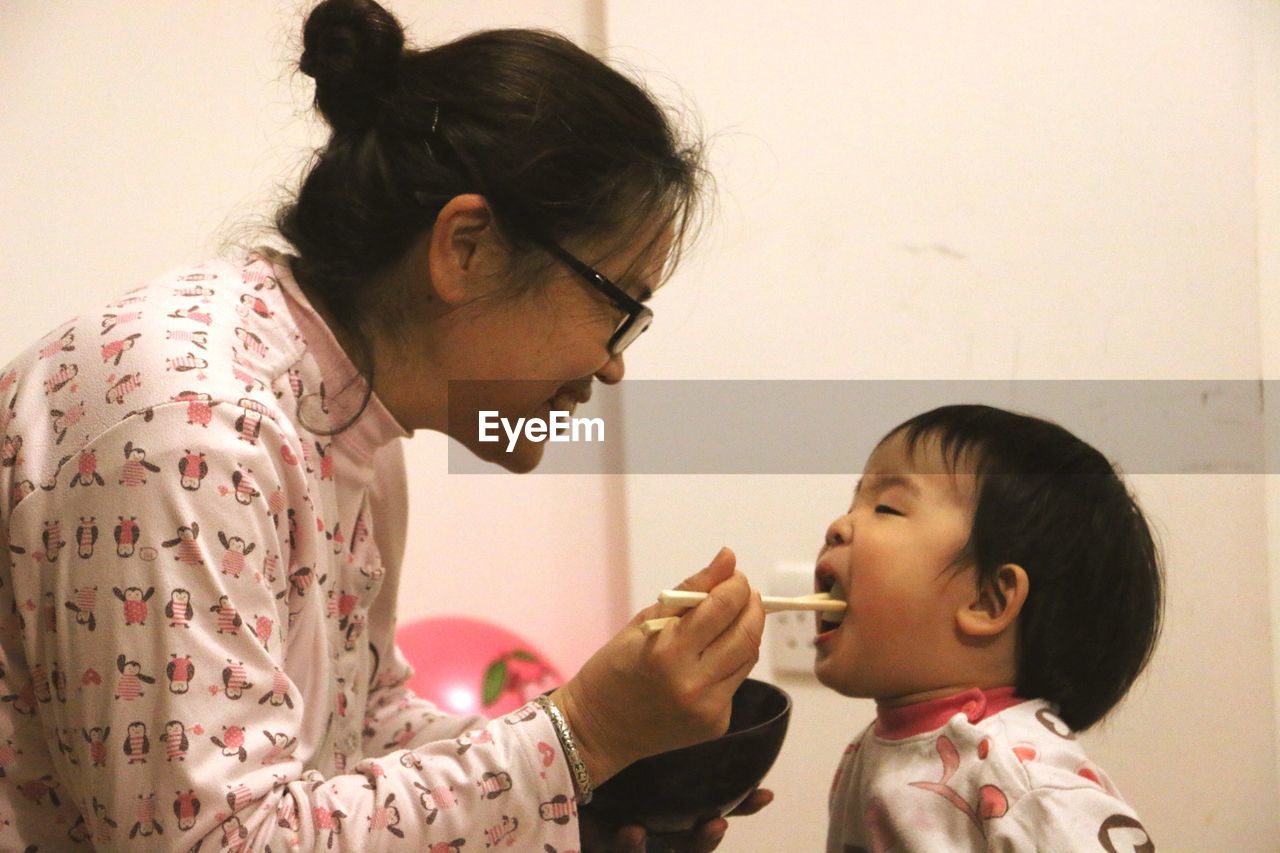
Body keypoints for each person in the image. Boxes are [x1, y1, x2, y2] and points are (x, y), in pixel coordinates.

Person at [0, 1, 768, 849]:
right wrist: (581, 735)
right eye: (619, 303)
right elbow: (218, 839)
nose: (614, 362)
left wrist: (603, 789)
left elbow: (354, 732)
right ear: (466, 247)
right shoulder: (195, 423)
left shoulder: (345, 412)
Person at [816, 404, 1162, 851]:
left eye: (886, 507)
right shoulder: (869, 752)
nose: (839, 526)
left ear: (987, 600)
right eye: (853, 503)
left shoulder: (1028, 784)